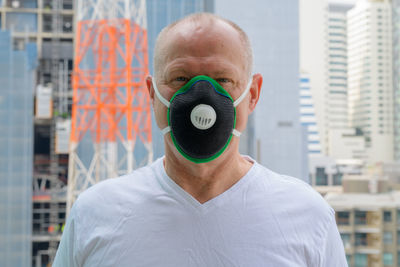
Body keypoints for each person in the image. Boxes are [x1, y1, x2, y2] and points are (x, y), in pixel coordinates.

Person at [53, 13, 347, 266]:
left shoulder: (308, 216)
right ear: (153, 93)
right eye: (180, 78)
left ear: (253, 94)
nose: (201, 97)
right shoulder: (94, 214)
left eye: (222, 80)